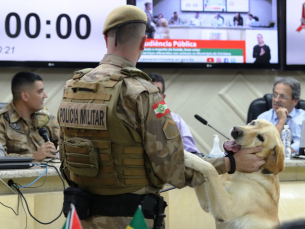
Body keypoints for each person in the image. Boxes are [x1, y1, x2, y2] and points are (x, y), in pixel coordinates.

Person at [58, 5, 264, 229]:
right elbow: (172, 168)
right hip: (129, 220)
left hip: (80, 218)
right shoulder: (142, 93)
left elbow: (65, 158)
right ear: (144, 42)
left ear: (105, 37)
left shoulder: (73, 87)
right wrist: (229, 162)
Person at [0, 72, 58, 161]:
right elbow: (1, 158)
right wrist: (33, 157)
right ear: (25, 96)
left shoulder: (44, 118)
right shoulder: (2, 121)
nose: (45, 95)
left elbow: (65, 142)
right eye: (40, 91)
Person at [257, 77, 305, 154]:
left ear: (295, 101)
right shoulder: (263, 118)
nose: (276, 100)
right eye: (275, 95)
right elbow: (266, 144)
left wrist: (289, 150)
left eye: (282, 96)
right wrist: (281, 121)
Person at [148, 73, 201, 155]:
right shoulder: (132, 117)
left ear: (163, 97)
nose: (153, 96)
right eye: (149, 92)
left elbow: (191, 152)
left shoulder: (176, 120)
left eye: (157, 92)